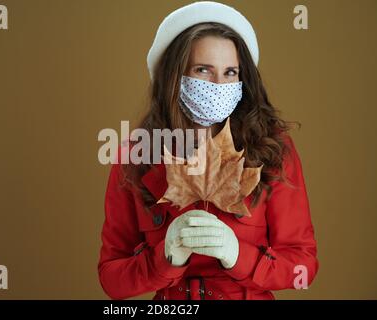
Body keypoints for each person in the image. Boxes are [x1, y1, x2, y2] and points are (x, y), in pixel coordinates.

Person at [98, 1, 318, 300]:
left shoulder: (272, 149)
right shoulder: (136, 155)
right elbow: (113, 280)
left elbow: (303, 267)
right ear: (174, 76)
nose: (218, 84)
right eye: (203, 70)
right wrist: (165, 258)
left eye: (230, 72)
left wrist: (238, 255)